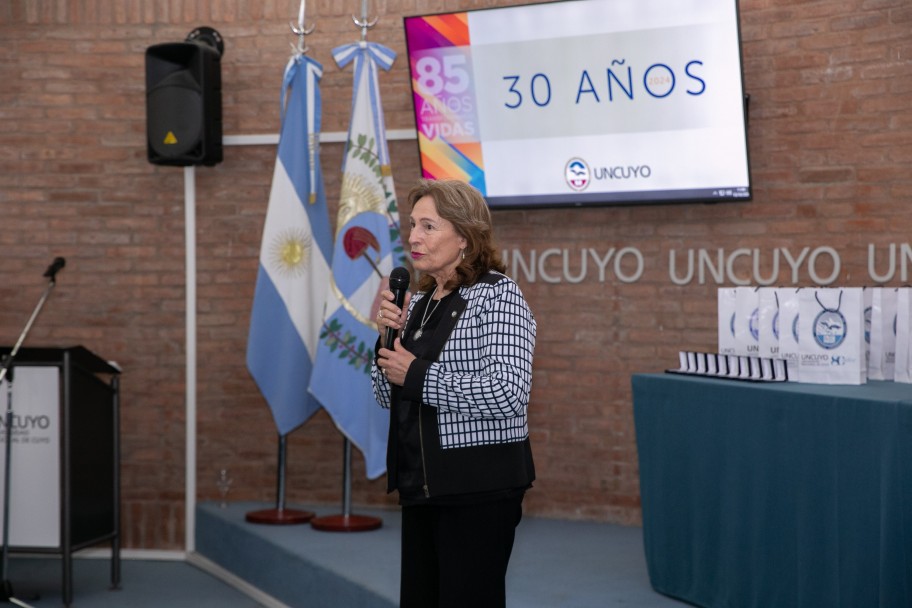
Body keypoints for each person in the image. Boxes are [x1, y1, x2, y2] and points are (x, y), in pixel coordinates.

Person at [372, 178, 536, 608]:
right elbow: (386, 395)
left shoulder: (498, 296)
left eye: (428, 226)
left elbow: (507, 393)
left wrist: (418, 374)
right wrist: (385, 339)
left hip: (478, 487)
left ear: (464, 236)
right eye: (412, 225)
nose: (413, 237)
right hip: (423, 483)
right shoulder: (421, 302)